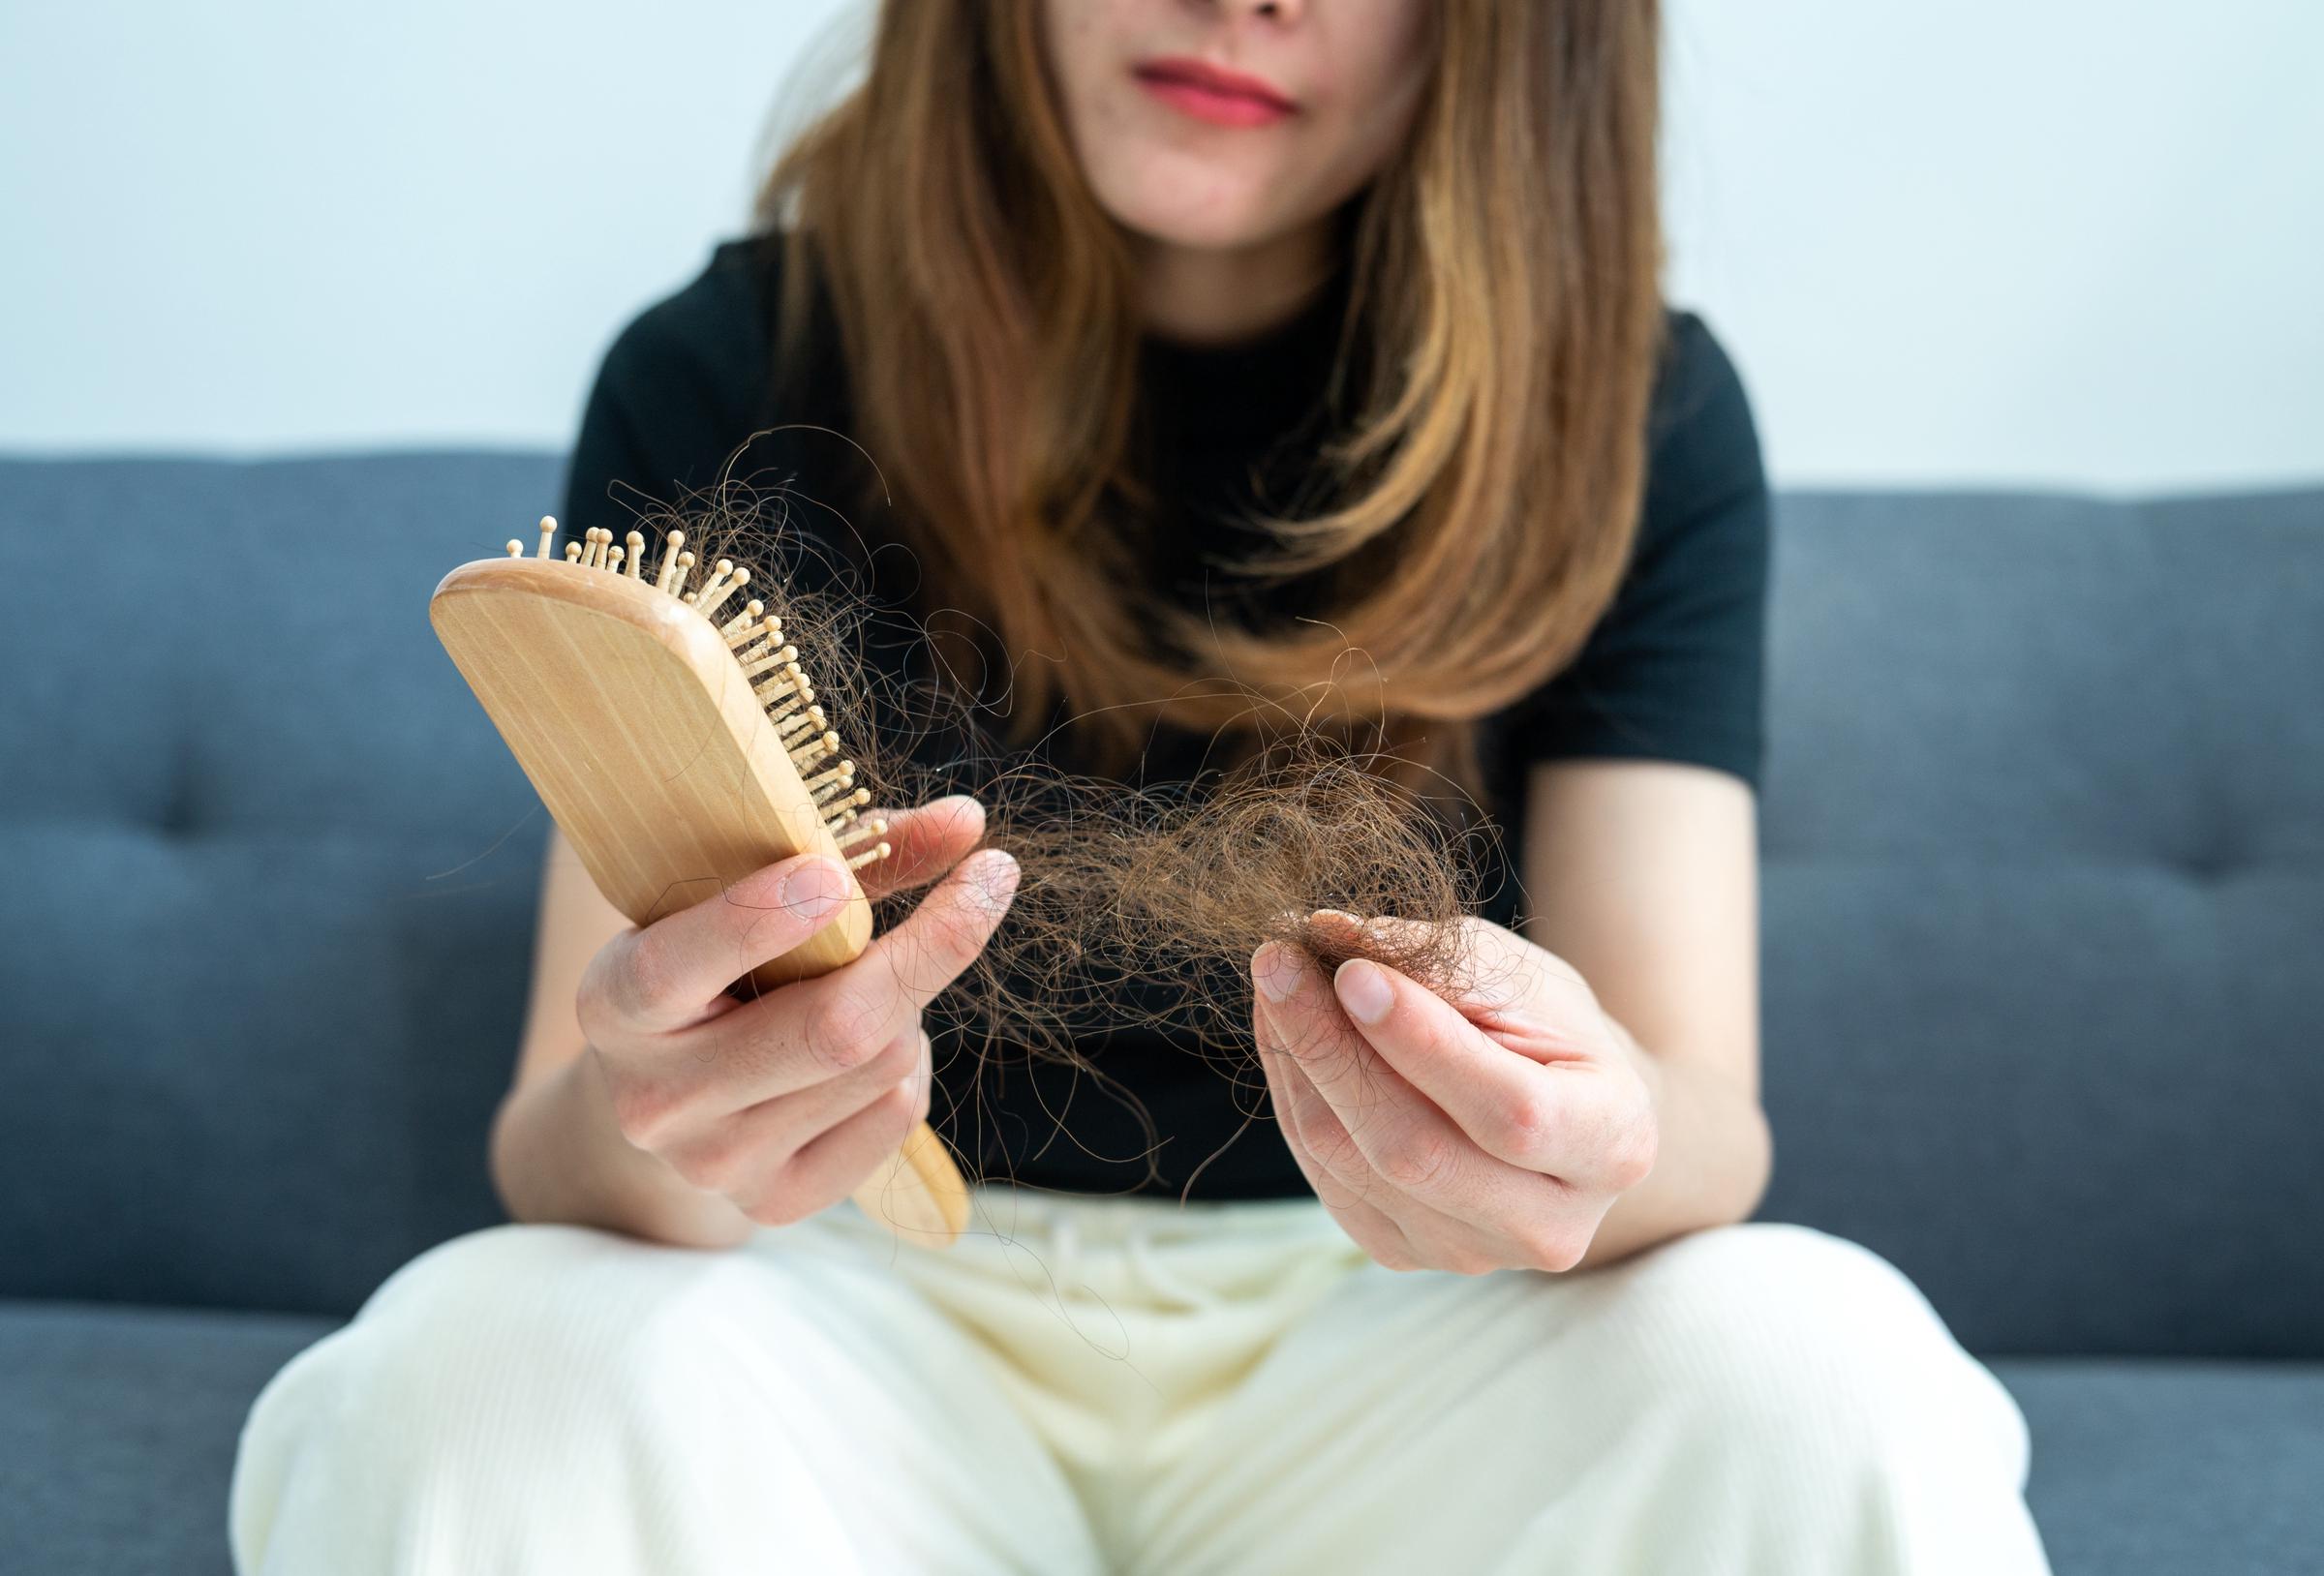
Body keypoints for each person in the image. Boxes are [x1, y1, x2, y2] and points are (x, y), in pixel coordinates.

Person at [229, 3, 2050, 1571]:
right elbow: (557, 1130)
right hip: (846, 1334)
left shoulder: (1634, 413)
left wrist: (1597, 1125)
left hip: (1404, 1344)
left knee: (1825, 1361)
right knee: (469, 1364)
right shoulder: (725, 370)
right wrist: (676, 1115)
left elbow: (1711, 1127)